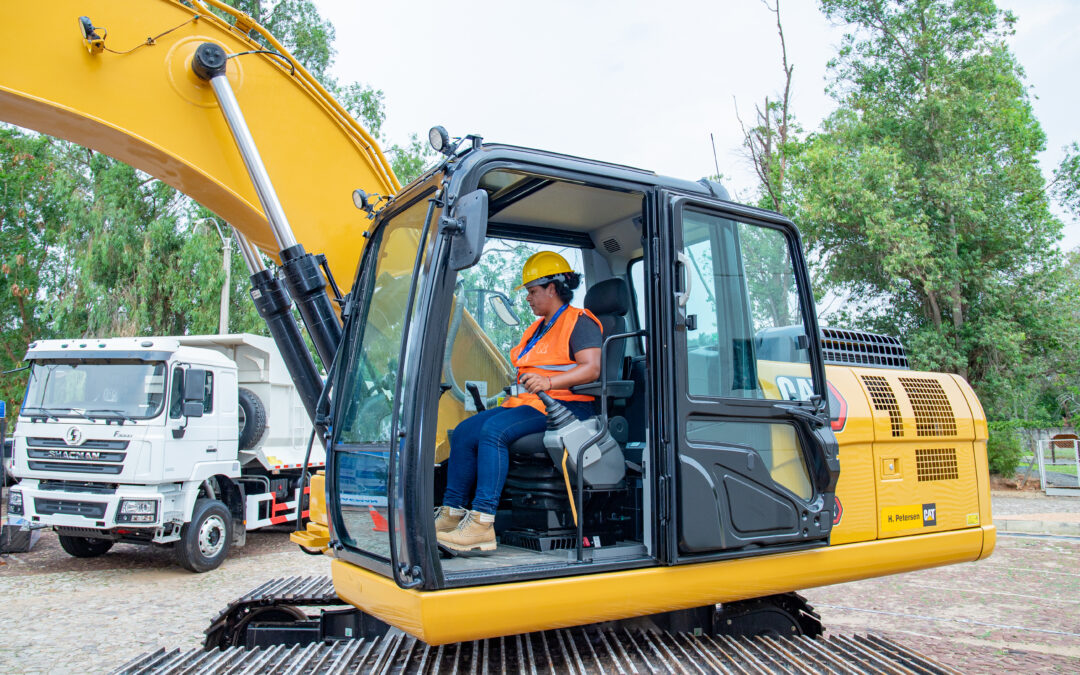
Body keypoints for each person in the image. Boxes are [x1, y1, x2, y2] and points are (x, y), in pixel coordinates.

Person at [436, 252, 602, 553]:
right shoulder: (536, 329)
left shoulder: (579, 322)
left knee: (494, 432)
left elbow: (591, 368)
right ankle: (452, 514)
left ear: (552, 288)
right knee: (464, 432)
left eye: (532, 291)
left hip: (566, 407)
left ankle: (482, 525)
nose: (528, 298)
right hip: (532, 403)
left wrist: (549, 383)